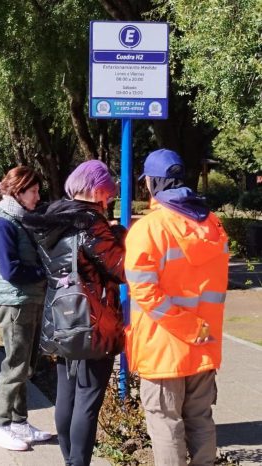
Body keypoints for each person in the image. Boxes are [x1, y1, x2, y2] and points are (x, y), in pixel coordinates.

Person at [125, 149, 229, 466]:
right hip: (204, 344)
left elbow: (143, 290)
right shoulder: (214, 226)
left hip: (164, 348)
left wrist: (186, 328)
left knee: (165, 423)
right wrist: (197, 330)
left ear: (153, 183)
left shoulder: (149, 228)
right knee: (201, 420)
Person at [24, 160, 125, 466]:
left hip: (60, 318)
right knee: (88, 400)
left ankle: (69, 459)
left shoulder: (52, 219)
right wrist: (119, 236)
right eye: (108, 192)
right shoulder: (90, 223)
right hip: (93, 321)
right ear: (97, 191)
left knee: (66, 394)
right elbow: (120, 268)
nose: (109, 198)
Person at [0, 166, 52, 451]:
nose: (37, 196)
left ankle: (19, 423)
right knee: (15, 365)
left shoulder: (19, 219)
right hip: (14, 303)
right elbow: (10, 270)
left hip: (27, 300)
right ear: (18, 192)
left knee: (27, 366)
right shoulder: (2, 223)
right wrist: (44, 273)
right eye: (33, 191)